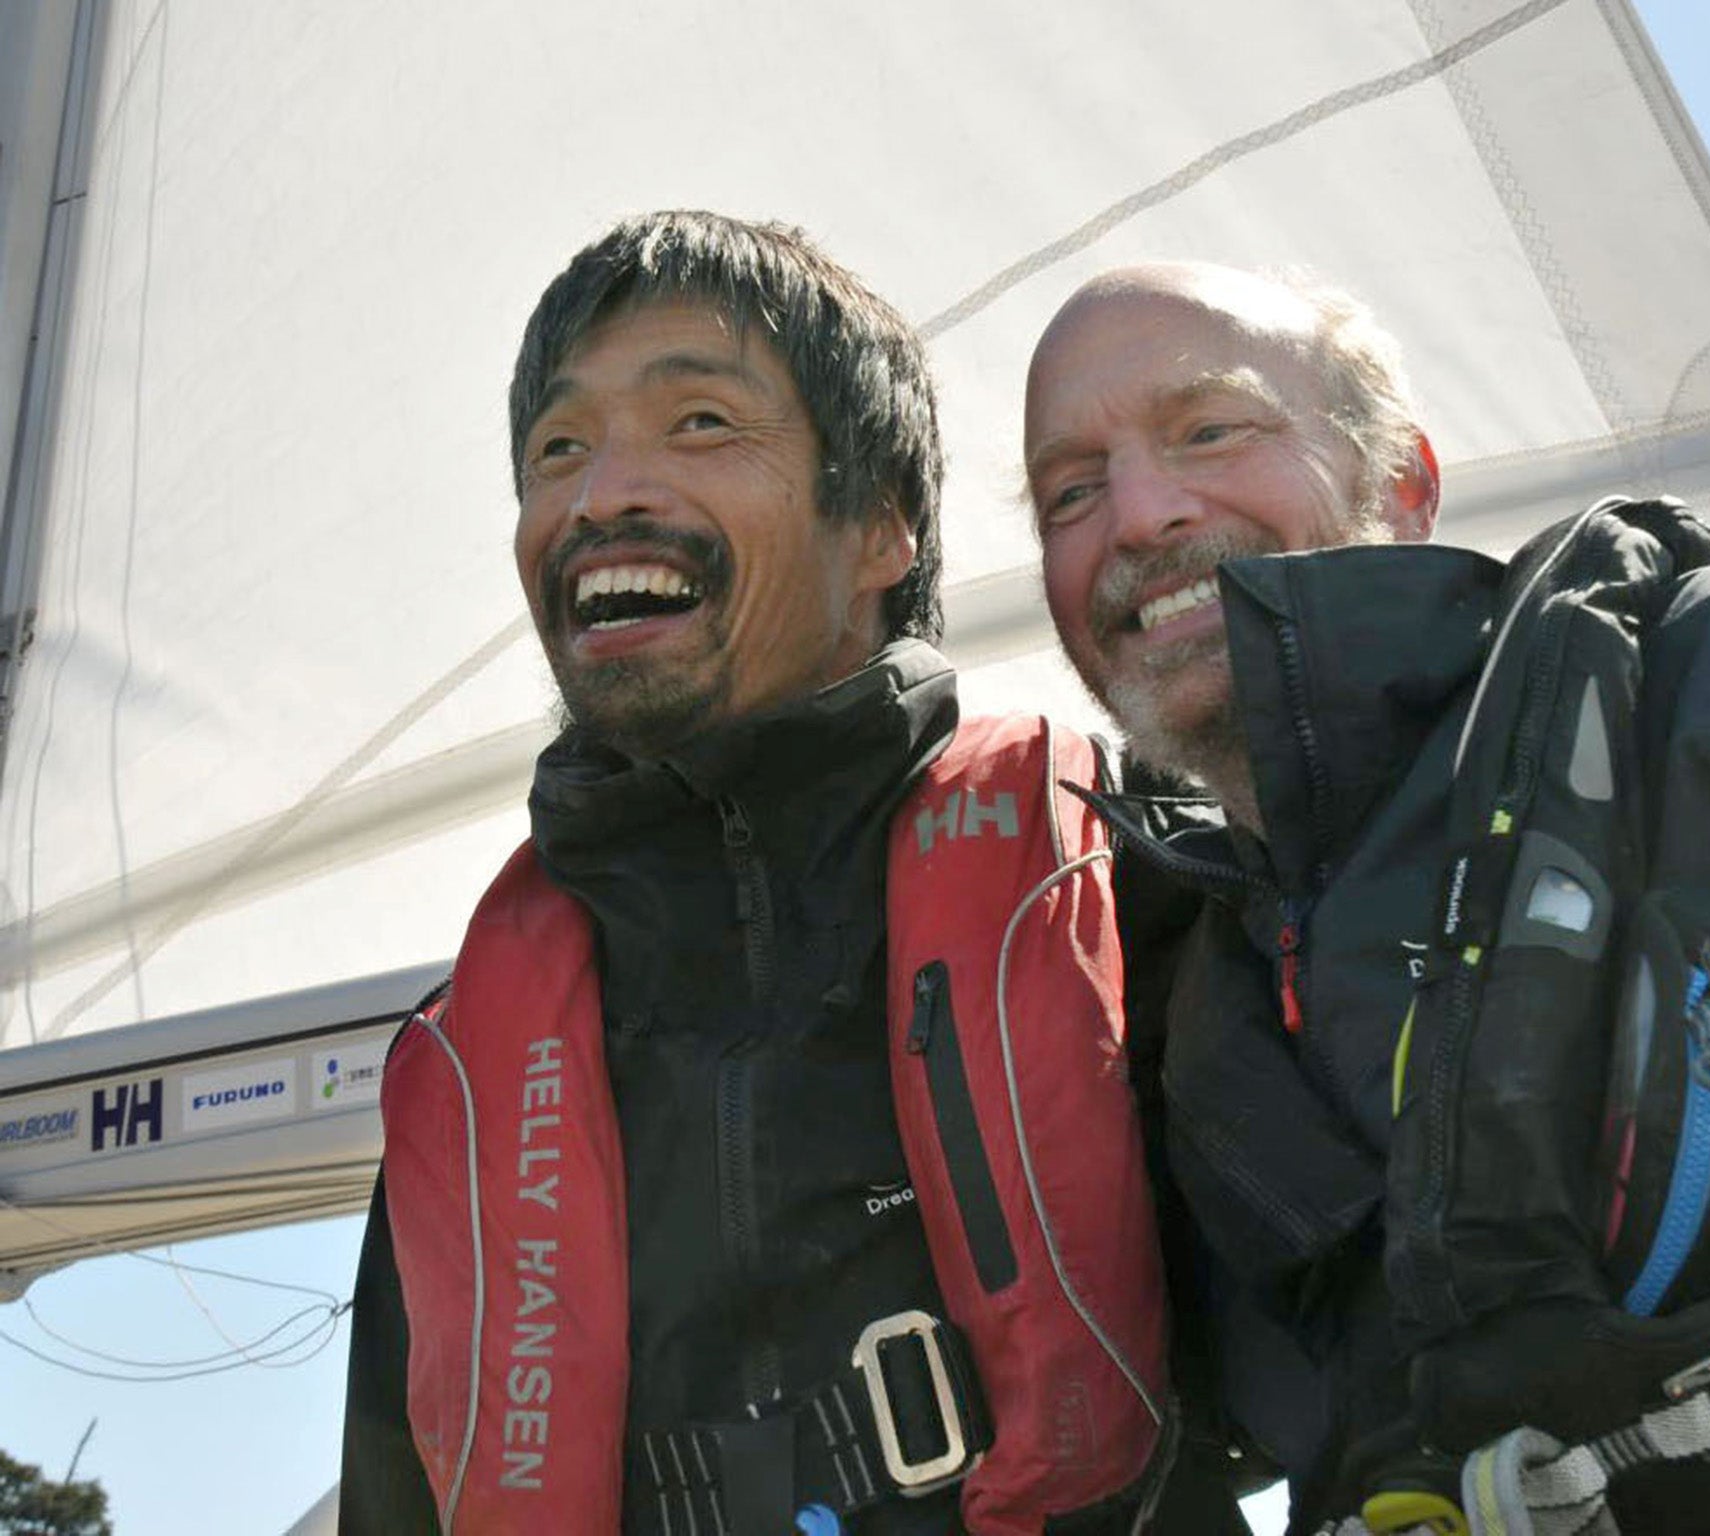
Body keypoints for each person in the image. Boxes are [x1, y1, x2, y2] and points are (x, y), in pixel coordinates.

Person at [1022, 261, 1710, 1529]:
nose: (1135, 515)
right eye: (1070, 490)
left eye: (1209, 429)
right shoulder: (1153, 1018)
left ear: (1398, 480)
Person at [339, 213, 1249, 1535]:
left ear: (880, 526)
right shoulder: (469, 1069)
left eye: (700, 424)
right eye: (558, 450)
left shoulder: (1123, 877)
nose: (600, 498)